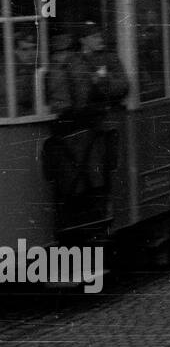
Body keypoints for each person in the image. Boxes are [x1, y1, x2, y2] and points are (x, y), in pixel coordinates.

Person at [45, 21, 129, 223]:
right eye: (94, 37)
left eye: (100, 36)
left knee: (101, 164)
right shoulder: (73, 61)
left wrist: (99, 82)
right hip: (84, 123)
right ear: (84, 40)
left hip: (103, 121)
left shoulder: (109, 58)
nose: (99, 40)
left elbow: (123, 86)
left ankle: (101, 207)